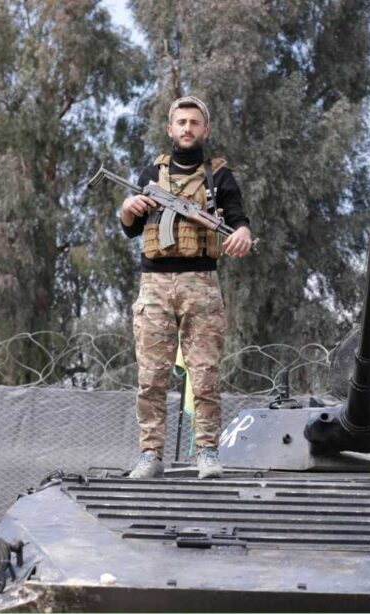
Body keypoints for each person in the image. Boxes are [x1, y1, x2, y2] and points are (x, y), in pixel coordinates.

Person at [120, 96, 253, 479]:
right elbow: (130, 226)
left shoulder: (220, 176)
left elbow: (241, 221)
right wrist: (128, 207)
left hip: (202, 283)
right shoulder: (152, 171)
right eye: (181, 122)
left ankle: (207, 452)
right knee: (151, 378)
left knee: (205, 376)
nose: (187, 128)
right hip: (155, 284)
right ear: (170, 129)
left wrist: (241, 234)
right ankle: (150, 454)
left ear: (205, 129)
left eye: (195, 122)